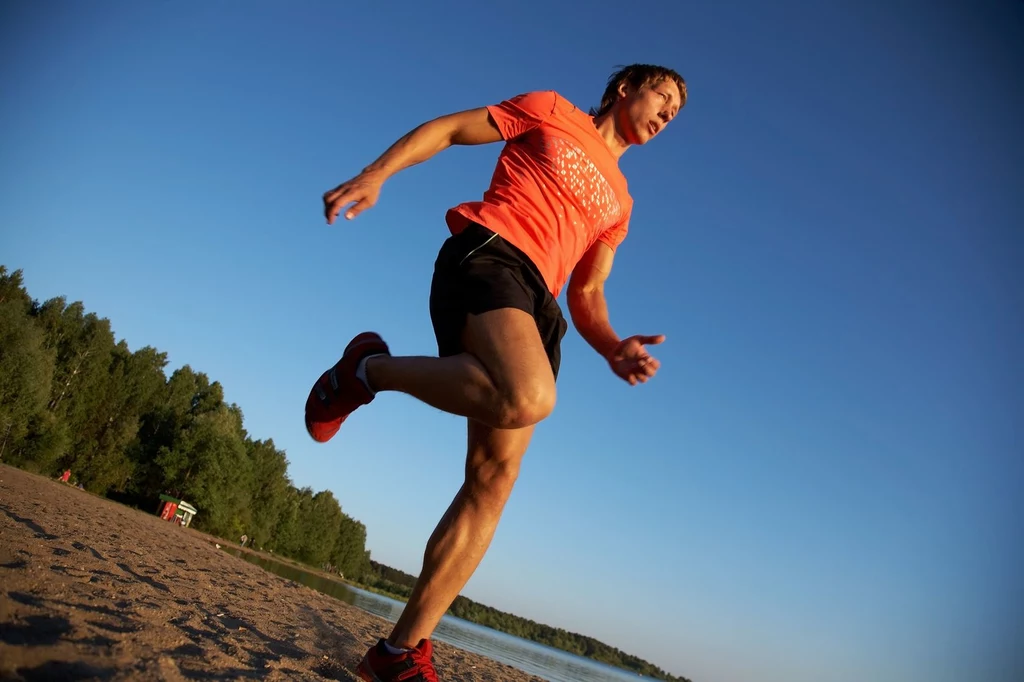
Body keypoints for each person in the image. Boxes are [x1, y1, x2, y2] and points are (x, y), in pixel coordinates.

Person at [306, 63, 686, 681]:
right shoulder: (551, 110)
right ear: (626, 88)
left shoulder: (622, 201)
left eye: (675, 114)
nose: (668, 114)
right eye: (663, 97)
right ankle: (365, 372)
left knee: (492, 481)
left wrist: (613, 345)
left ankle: (396, 655)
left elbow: (588, 292)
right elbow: (454, 129)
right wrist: (378, 173)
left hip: (545, 306)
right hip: (491, 253)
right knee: (530, 396)